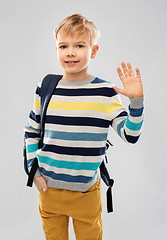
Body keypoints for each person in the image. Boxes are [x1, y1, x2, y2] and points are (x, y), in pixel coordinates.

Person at [24, 13, 144, 240]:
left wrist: (136, 102)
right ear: (56, 49)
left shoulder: (106, 92)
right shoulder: (46, 87)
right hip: (48, 190)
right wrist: (34, 172)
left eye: (79, 45)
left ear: (94, 51)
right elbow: (31, 132)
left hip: (86, 193)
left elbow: (131, 135)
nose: (70, 52)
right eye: (63, 46)